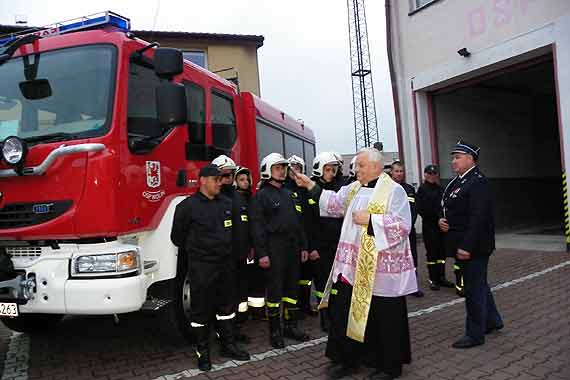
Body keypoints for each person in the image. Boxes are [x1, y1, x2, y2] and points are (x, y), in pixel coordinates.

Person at [295, 148, 417, 380]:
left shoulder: (394, 191)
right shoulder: (353, 188)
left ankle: (388, 366)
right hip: (350, 266)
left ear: (375, 166)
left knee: (384, 319)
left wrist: (371, 220)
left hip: (379, 272)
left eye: (360, 165)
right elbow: (333, 203)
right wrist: (310, 185)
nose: (356, 169)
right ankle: (346, 359)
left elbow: (403, 226)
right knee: (343, 312)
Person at [170, 164, 250, 371]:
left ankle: (228, 345)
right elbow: (177, 238)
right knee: (201, 312)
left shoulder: (226, 203)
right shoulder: (187, 207)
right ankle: (202, 352)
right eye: (215, 179)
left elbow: (235, 233)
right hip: (202, 267)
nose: (219, 183)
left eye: (221, 179)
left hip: (226, 265)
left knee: (226, 309)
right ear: (202, 180)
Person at [438, 141, 503, 349]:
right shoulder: (459, 182)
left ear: (470, 159)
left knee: (473, 289)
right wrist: (442, 220)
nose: (453, 161)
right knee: (480, 284)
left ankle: (475, 334)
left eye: (457, 157)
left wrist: (467, 246)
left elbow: (479, 218)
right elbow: (450, 207)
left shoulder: (477, 182)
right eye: (453, 157)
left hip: (474, 246)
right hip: (463, 242)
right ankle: (492, 321)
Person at [250, 153, 311, 349]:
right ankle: (275, 332)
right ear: (267, 170)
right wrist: (262, 254)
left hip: (292, 248)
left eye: (283, 167)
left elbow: (299, 223)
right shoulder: (261, 196)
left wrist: (303, 246)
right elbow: (257, 227)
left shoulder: (289, 194)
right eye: (278, 167)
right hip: (274, 249)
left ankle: (291, 327)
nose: (282, 171)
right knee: (275, 292)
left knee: (292, 290)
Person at [307, 152, 344, 332]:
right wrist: (312, 247)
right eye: (327, 169)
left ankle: (336, 315)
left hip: (337, 245)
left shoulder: (340, 188)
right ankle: (325, 318)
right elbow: (307, 223)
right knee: (322, 284)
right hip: (320, 247)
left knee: (337, 283)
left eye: (333, 169)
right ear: (319, 170)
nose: (331, 173)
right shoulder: (311, 190)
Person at [285, 154, 317, 318]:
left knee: (306, 277)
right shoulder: (283, 189)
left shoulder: (307, 190)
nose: (295, 172)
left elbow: (312, 219)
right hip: (290, 242)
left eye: (298, 169)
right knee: (291, 278)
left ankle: (305, 305)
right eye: (292, 169)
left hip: (306, 239)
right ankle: (292, 310)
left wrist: (310, 245)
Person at [416, 165, 454, 291]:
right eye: (429, 173)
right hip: (430, 226)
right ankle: (433, 279)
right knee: (432, 253)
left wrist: (444, 219)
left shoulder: (441, 189)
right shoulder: (422, 190)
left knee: (442, 253)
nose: (432, 176)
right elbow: (421, 209)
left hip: (442, 226)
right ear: (425, 174)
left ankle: (441, 277)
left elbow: (446, 206)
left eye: (434, 174)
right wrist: (435, 218)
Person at [391, 161, 424, 298]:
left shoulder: (409, 188)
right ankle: (396, 287)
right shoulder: (387, 188)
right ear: (391, 172)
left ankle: (413, 286)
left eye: (401, 171)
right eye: (396, 171)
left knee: (412, 259)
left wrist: (409, 225)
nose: (399, 174)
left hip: (409, 231)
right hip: (394, 233)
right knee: (395, 260)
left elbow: (414, 209)